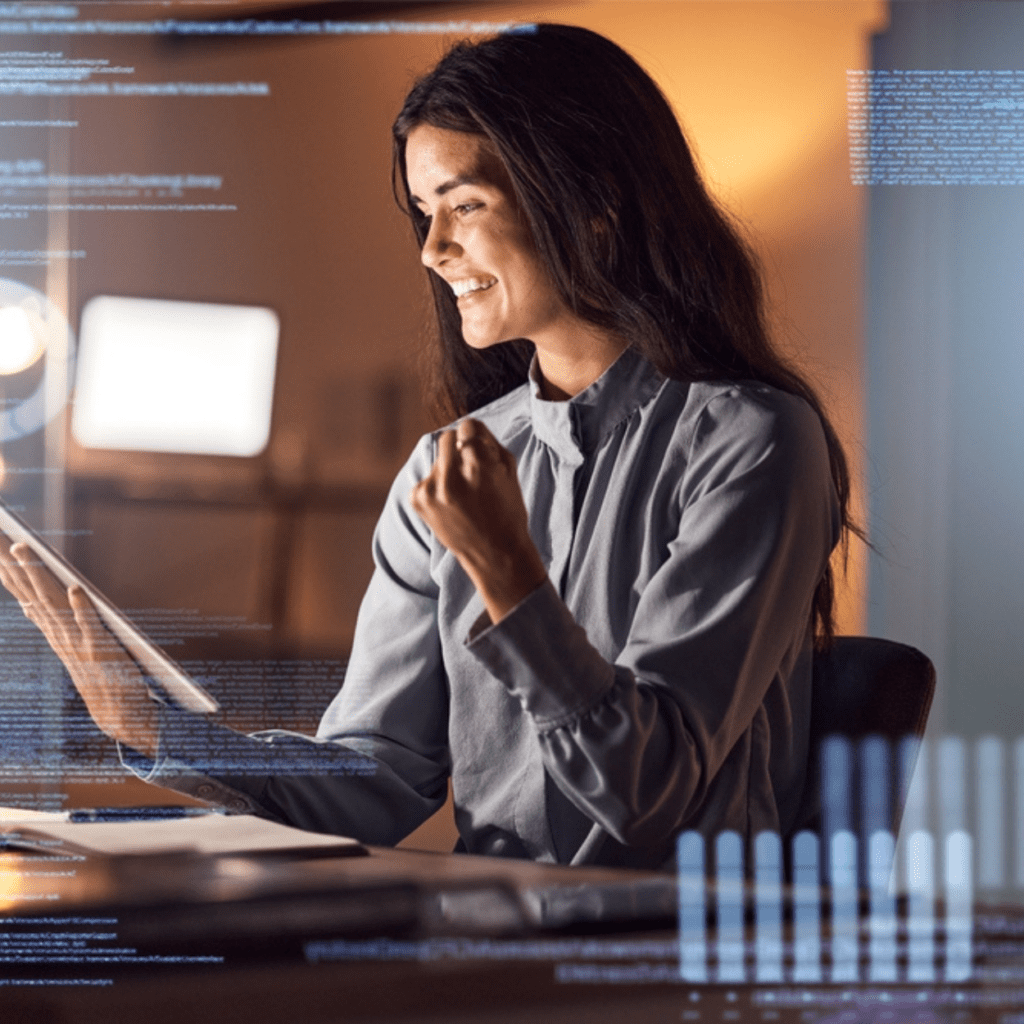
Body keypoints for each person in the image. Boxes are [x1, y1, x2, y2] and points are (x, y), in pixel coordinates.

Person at [0, 24, 851, 870]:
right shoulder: (444, 467)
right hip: (490, 942)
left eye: (464, 204)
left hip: (662, 961)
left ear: (594, 203)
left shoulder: (753, 442)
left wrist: (510, 579)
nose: (434, 249)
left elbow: (647, 794)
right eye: (422, 212)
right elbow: (374, 780)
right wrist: (157, 729)